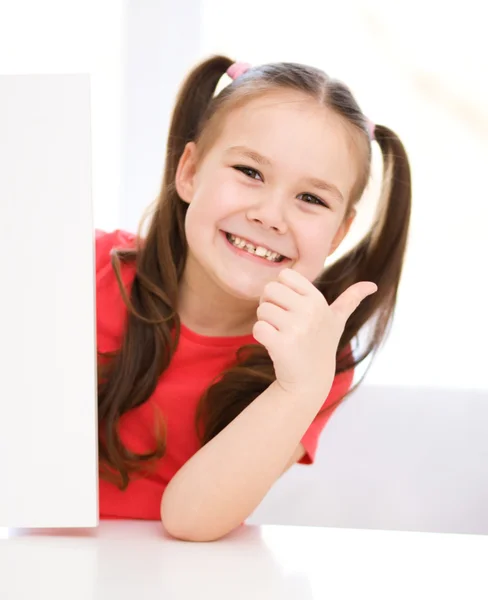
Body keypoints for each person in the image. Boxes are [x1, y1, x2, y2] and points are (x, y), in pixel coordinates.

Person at [95, 55, 411, 542]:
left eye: (311, 199)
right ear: (190, 171)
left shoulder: (313, 357)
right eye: (250, 171)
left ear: (338, 234)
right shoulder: (84, 269)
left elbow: (190, 520)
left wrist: (297, 389)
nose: (270, 215)